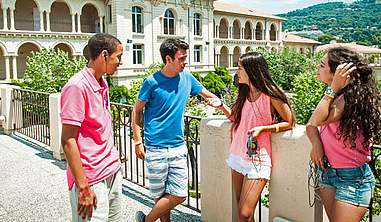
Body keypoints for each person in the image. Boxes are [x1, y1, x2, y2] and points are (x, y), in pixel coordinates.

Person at [132, 38, 220, 222]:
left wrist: (224, 107)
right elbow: (137, 110)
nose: (185, 62)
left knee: (180, 195)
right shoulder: (151, 81)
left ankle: (145, 221)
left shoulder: (187, 78)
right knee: (160, 194)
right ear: (168, 59)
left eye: (185, 57)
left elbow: (207, 95)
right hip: (155, 146)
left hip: (178, 146)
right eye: (181, 58)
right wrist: (138, 141)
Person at [206, 52, 295, 222]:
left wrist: (264, 129)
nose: (237, 72)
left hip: (258, 160)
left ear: (252, 70)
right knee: (242, 212)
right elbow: (235, 118)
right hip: (238, 155)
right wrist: (221, 106)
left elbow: (289, 122)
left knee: (245, 213)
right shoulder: (244, 93)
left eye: (240, 68)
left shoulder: (271, 95)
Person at [306, 47, 380, 222]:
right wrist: (316, 143)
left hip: (352, 178)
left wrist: (332, 89)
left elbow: (316, 121)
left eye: (322, 65)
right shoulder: (336, 97)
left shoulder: (347, 99)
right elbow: (310, 125)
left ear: (337, 73)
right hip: (328, 172)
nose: (317, 66)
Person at [61, 33, 123, 222]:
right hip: (91, 178)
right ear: (104, 55)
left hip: (111, 169)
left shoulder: (102, 81)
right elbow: (67, 140)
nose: (120, 62)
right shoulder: (77, 87)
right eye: (118, 57)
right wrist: (83, 187)